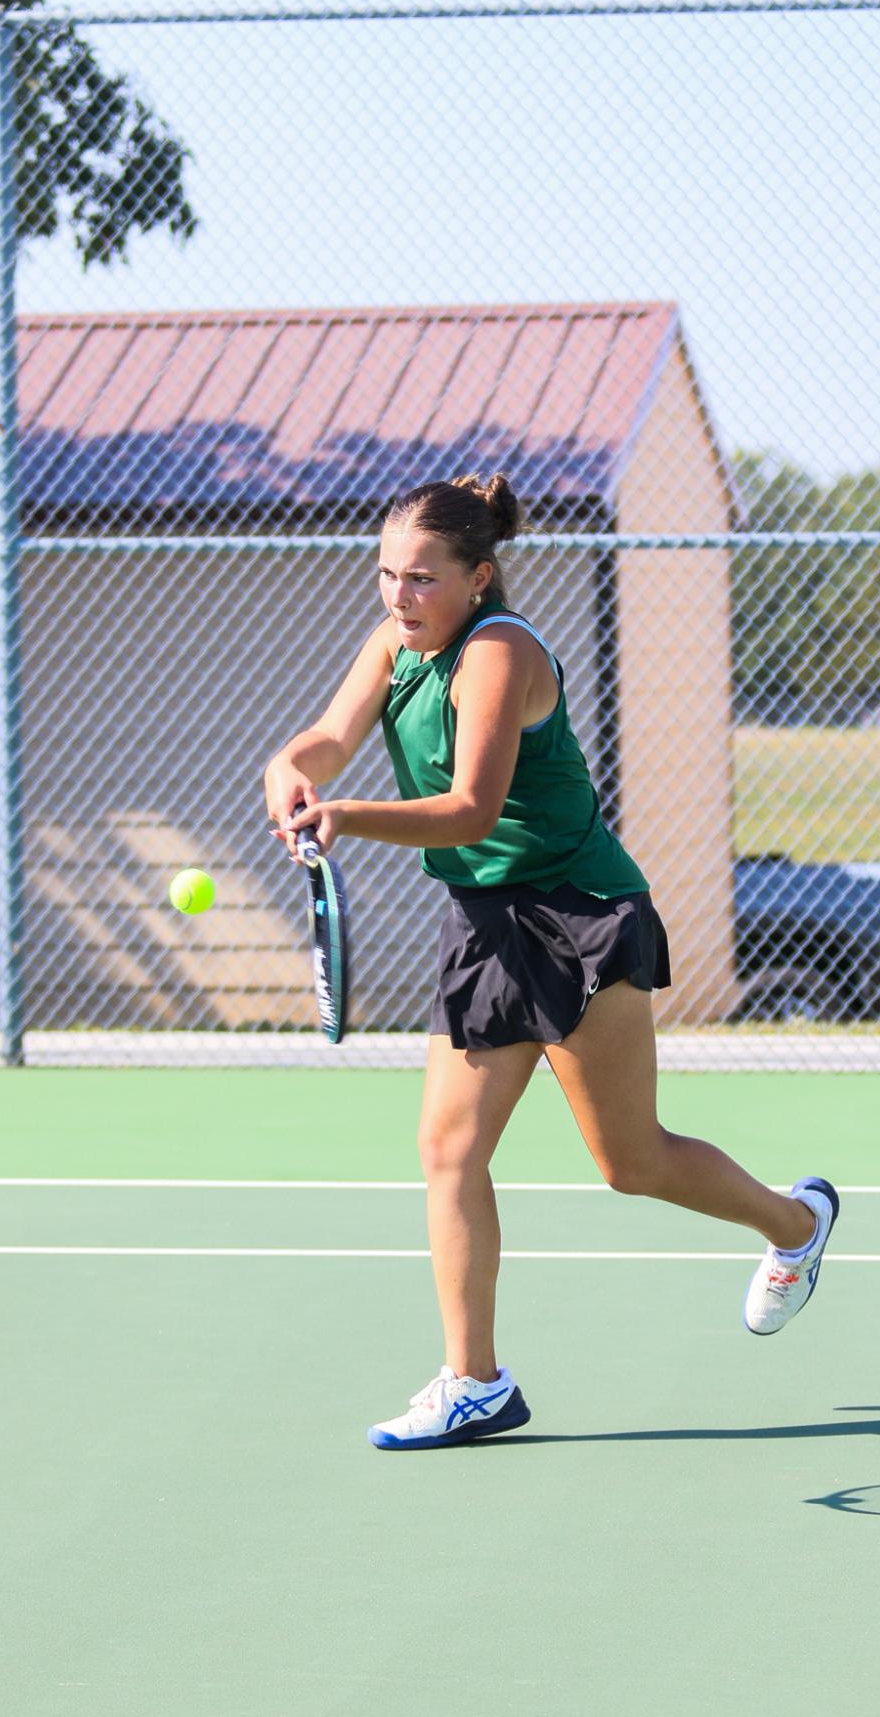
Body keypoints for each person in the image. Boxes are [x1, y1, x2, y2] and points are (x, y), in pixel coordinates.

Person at [263, 473, 838, 1451]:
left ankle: (794, 1225)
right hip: (485, 920)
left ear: (478, 577)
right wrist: (293, 771)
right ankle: (473, 1382)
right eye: (386, 575)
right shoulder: (391, 647)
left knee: (630, 1163)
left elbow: (471, 809)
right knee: (447, 1151)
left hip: (580, 916)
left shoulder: (499, 654)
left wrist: (345, 815)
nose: (399, 597)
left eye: (421, 580)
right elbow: (327, 739)